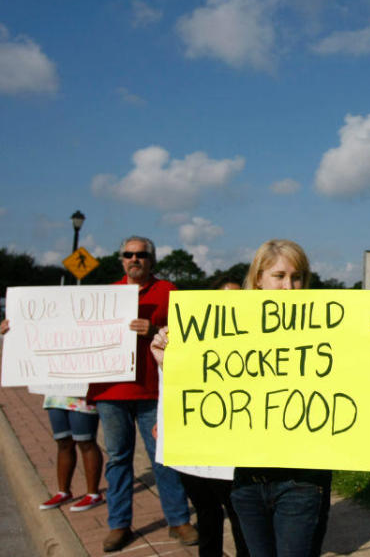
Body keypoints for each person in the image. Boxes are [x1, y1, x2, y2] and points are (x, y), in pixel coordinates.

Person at [152, 239, 370, 557]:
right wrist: (166, 359)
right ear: (258, 280)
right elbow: (202, 388)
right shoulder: (227, 331)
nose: (288, 287)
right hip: (246, 481)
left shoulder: (324, 327)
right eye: (279, 276)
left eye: (297, 278)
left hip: (302, 480)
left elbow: (357, 387)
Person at [86, 236, 197, 552]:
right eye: (129, 254)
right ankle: (119, 525)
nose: (135, 259)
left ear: (152, 259)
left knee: (162, 457)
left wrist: (155, 328)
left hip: (154, 389)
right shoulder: (105, 295)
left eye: (141, 254)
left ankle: (178, 520)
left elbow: (188, 335)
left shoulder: (169, 292)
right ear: (121, 259)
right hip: (111, 390)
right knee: (118, 459)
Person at [150, 277, 251, 557]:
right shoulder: (188, 335)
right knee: (207, 511)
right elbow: (175, 381)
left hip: (234, 448)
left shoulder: (256, 340)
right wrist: (166, 416)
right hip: (195, 443)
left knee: (239, 510)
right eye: (224, 298)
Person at [0, 320, 104, 512]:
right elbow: (29, 341)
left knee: (86, 441)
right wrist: (11, 333)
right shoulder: (50, 324)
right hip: (55, 392)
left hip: (82, 392)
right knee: (63, 441)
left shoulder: (90, 325)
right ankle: (63, 491)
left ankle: (93, 493)